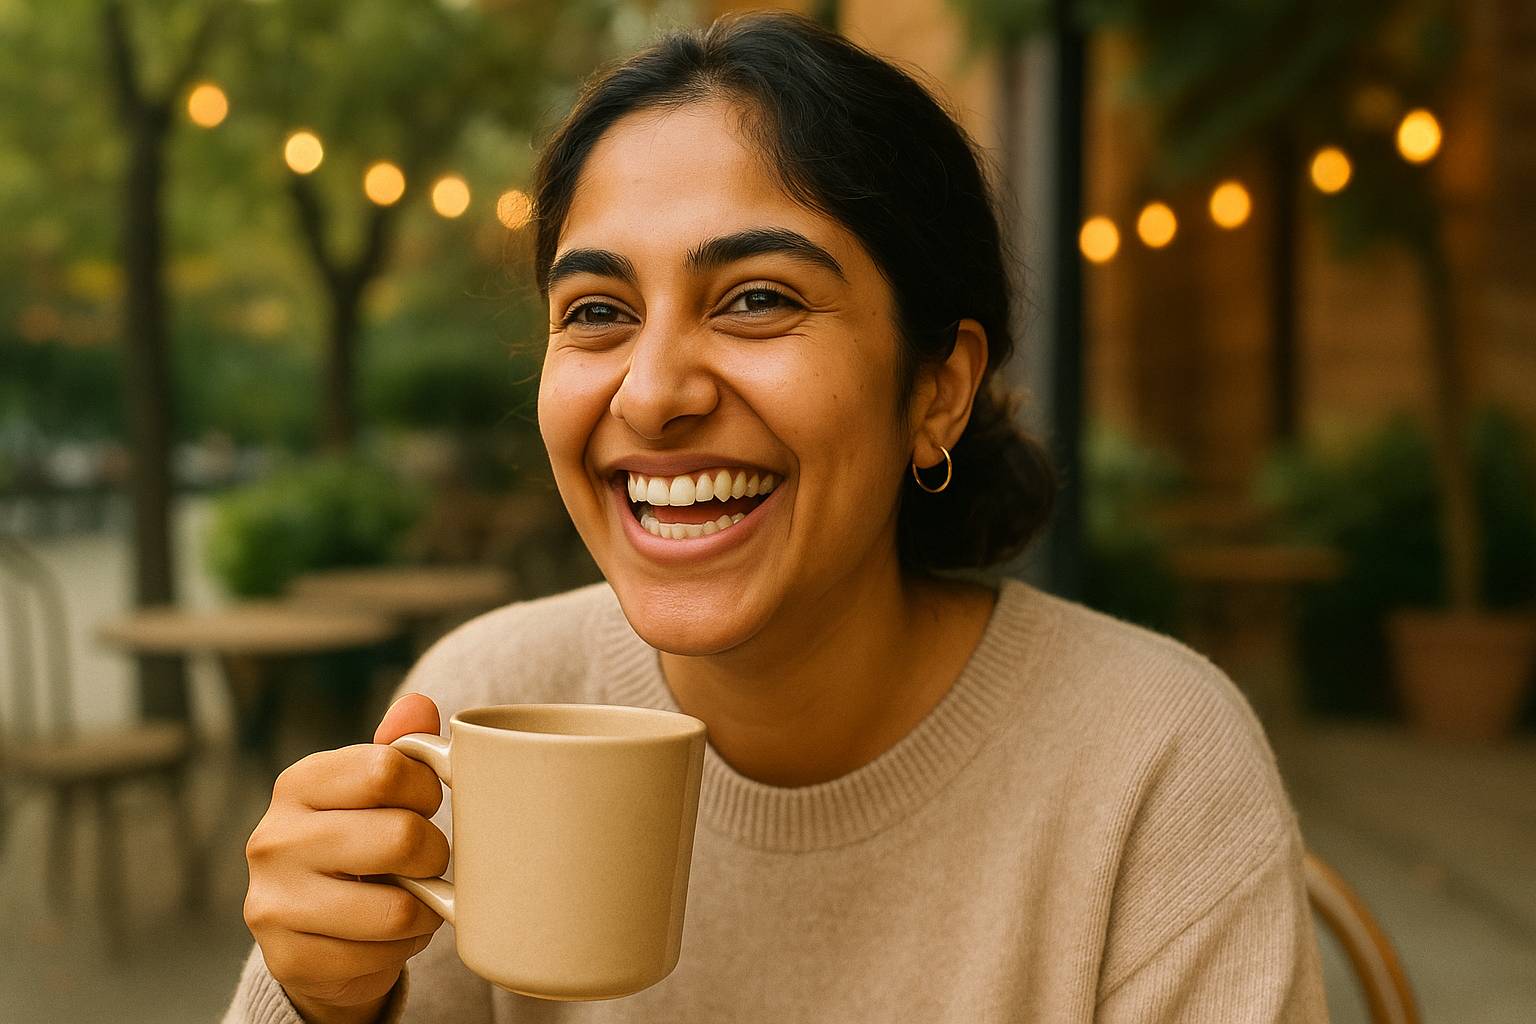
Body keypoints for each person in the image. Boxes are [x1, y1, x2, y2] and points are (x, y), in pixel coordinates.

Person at [224, 11, 1328, 1024]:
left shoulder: (1151, 761)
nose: (651, 395)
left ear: (937, 388)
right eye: (598, 312)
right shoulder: (487, 702)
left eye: (758, 298)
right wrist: (323, 1003)